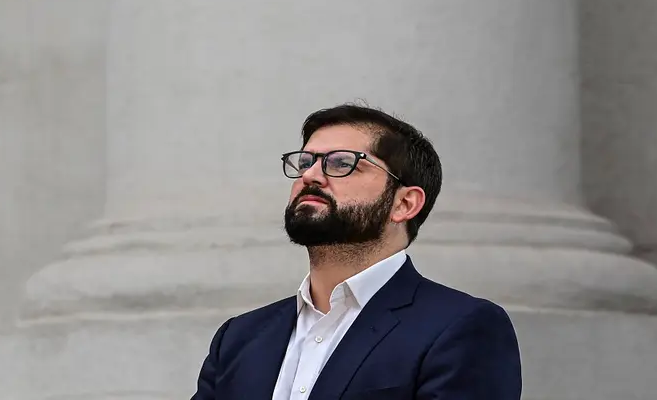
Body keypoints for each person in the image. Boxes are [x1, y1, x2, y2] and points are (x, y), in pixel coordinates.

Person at [190, 104, 521, 399]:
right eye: (306, 161)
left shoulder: (459, 326)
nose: (310, 175)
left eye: (342, 163)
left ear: (404, 203)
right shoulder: (239, 337)